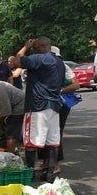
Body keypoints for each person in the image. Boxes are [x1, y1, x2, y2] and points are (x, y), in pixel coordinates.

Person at [13, 36, 65, 183]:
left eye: (35, 48)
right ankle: (50, 173)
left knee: (31, 141)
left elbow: (17, 61)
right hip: (54, 105)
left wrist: (25, 47)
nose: (34, 51)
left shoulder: (39, 58)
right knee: (53, 141)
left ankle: (30, 172)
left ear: (41, 47)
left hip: (37, 105)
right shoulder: (60, 62)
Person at [37, 46, 80, 176]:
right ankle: (45, 161)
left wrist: (59, 90)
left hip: (60, 104)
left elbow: (75, 84)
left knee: (55, 132)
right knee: (43, 131)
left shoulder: (63, 67)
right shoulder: (43, 68)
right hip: (45, 103)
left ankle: (55, 164)